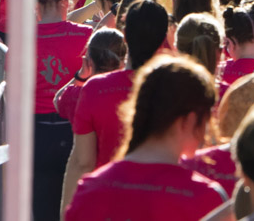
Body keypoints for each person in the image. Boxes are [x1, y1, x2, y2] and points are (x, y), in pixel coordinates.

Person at [64, 56, 227, 220]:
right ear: (189, 120)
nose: (208, 131)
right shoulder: (206, 198)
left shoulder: (89, 190)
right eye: (207, 120)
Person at [61, 0, 169, 214]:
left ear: (125, 35)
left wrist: (67, 213)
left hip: (107, 204)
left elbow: (83, 162)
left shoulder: (95, 89)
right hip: (160, 205)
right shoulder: (174, 88)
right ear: (164, 37)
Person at [34, 0, 92, 221]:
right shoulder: (84, 37)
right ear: (66, 2)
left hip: (35, 134)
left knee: (43, 209)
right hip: (76, 132)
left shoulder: (23, 41)